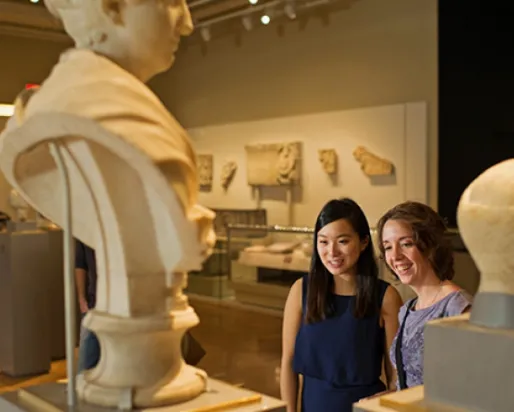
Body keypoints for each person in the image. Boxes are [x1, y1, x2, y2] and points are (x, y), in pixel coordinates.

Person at [281, 198, 403, 412]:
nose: (332, 252)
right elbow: (288, 363)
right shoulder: (301, 290)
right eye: (323, 241)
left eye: (343, 241)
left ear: (364, 242)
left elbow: (395, 376)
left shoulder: (386, 297)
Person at [377, 201, 472, 390]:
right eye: (388, 247)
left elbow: (476, 384)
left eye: (406, 244)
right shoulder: (406, 310)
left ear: (430, 245)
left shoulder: (458, 307)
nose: (395, 256)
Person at [75, 239, 100, 372]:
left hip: (115, 305)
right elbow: (80, 263)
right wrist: (81, 297)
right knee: (85, 363)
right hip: (93, 303)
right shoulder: (84, 230)